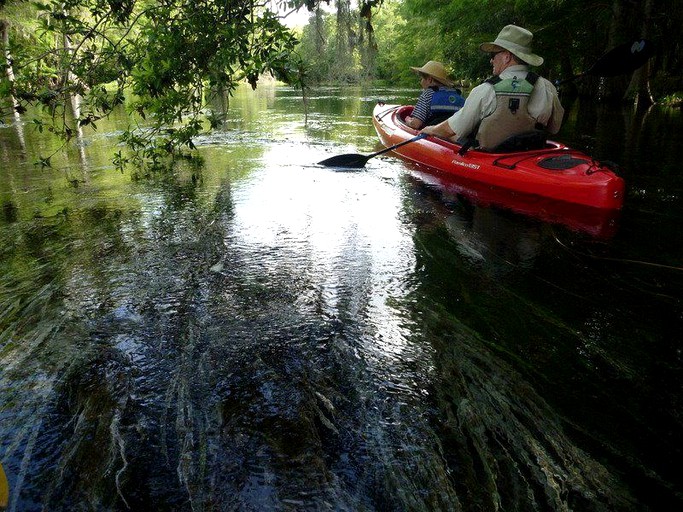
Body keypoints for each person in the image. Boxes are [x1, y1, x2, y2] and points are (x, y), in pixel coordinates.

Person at [421, 25, 564, 151]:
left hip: (489, 158)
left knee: (454, 135)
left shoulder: (485, 90)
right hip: (530, 155)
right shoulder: (547, 86)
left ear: (507, 57)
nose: (491, 60)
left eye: (493, 55)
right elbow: (554, 128)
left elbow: (453, 128)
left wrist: (431, 129)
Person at [404, 61, 465, 129]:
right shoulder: (457, 94)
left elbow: (415, 124)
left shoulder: (428, 94)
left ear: (430, 80)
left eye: (421, 78)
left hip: (433, 135)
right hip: (454, 135)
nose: (420, 82)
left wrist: (408, 120)